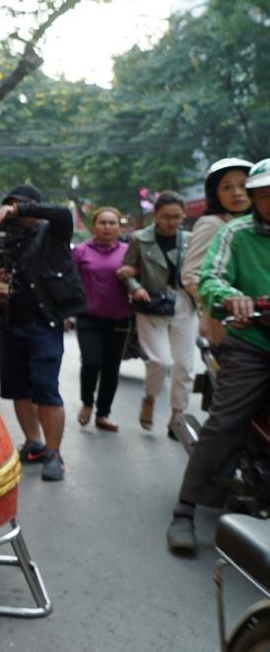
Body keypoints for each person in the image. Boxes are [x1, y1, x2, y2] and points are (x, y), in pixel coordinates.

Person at [167, 158, 270, 553]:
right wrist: (231, 298)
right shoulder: (235, 233)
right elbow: (208, 276)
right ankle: (184, 511)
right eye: (263, 194)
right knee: (225, 422)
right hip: (253, 340)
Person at [0, 184, 86, 483]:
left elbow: (60, 212)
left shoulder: (54, 233)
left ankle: (54, 453)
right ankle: (34, 443)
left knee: (45, 389)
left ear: (34, 207)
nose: (14, 212)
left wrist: (19, 209)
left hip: (44, 325)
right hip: (10, 324)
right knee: (18, 389)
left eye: (20, 207)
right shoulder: (6, 244)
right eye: (10, 206)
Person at [118, 191, 198, 435]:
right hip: (151, 303)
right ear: (155, 215)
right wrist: (136, 288)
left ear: (183, 216)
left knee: (185, 365)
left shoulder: (191, 239)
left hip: (184, 302)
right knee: (160, 361)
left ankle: (178, 416)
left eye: (177, 217)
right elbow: (125, 271)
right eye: (165, 217)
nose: (171, 222)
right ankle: (150, 398)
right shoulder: (139, 239)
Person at [71, 207, 131, 432]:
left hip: (120, 318)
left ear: (119, 227)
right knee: (92, 361)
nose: (107, 227)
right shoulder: (79, 251)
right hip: (89, 318)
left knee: (111, 368)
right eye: (102, 223)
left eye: (112, 223)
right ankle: (87, 402)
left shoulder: (128, 251)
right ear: (93, 226)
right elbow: (71, 283)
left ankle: (103, 414)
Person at [183, 158, 252, 349]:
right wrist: (225, 301)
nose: (237, 192)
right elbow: (191, 275)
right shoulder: (212, 224)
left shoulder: (258, 226)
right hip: (228, 326)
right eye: (227, 187)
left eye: (243, 185)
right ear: (215, 194)